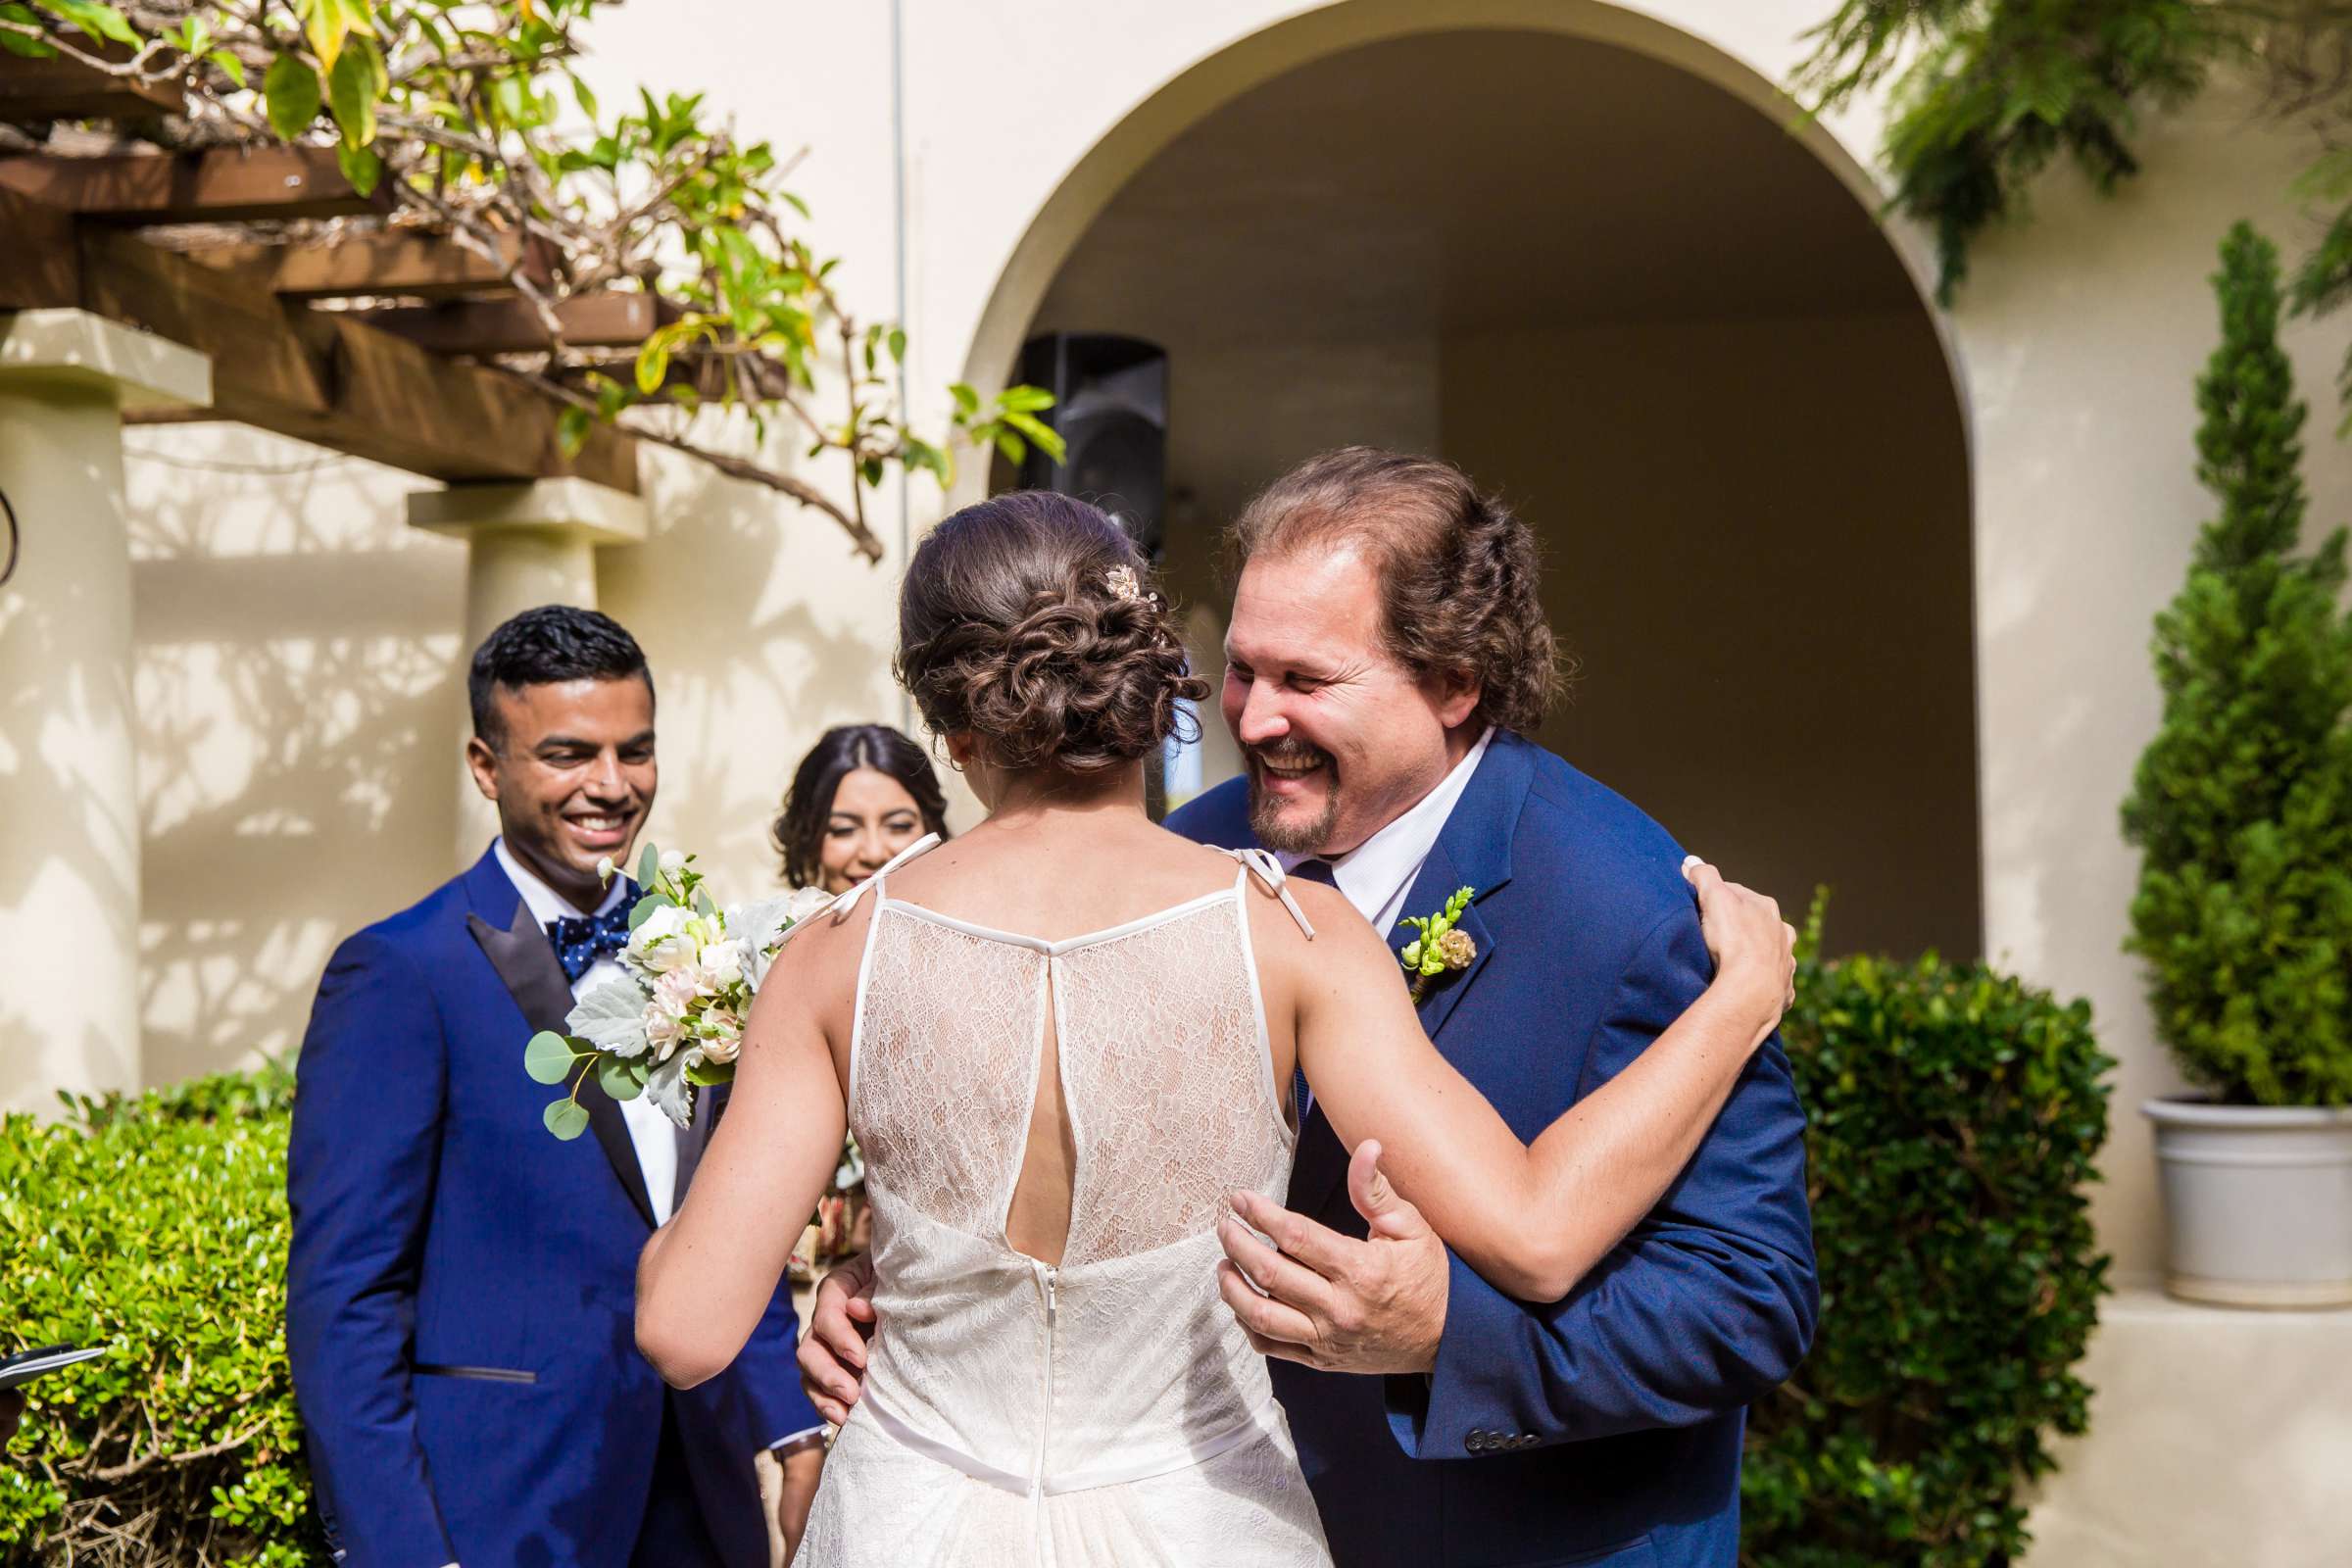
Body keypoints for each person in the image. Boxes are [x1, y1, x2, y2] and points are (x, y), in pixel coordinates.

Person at [635, 490, 1796, 1567]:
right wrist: (902, 1268)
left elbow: (686, 1326)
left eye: (1305, 676)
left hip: (916, 1517)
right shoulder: (1285, 921)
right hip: (1197, 1521)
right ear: (1155, 687)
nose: (1258, 714)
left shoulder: (834, 953)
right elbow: (1536, 1228)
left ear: (948, 725)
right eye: (1241, 673)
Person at [285, 606, 824, 1568]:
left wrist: (787, 1426)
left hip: (700, 1495)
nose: (612, 786)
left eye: (636, 750)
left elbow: (728, 1214)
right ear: (486, 765)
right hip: (502, 1509)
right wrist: (406, 1553)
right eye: (570, 754)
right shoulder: (400, 971)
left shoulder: (699, 949)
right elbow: (346, 1296)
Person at [772, 723, 952, 895]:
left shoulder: (970, 921)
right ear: (805, 838)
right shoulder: (770, 924)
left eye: (899, 826)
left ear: (932, 828)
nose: (874, 854)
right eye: (844, 830)